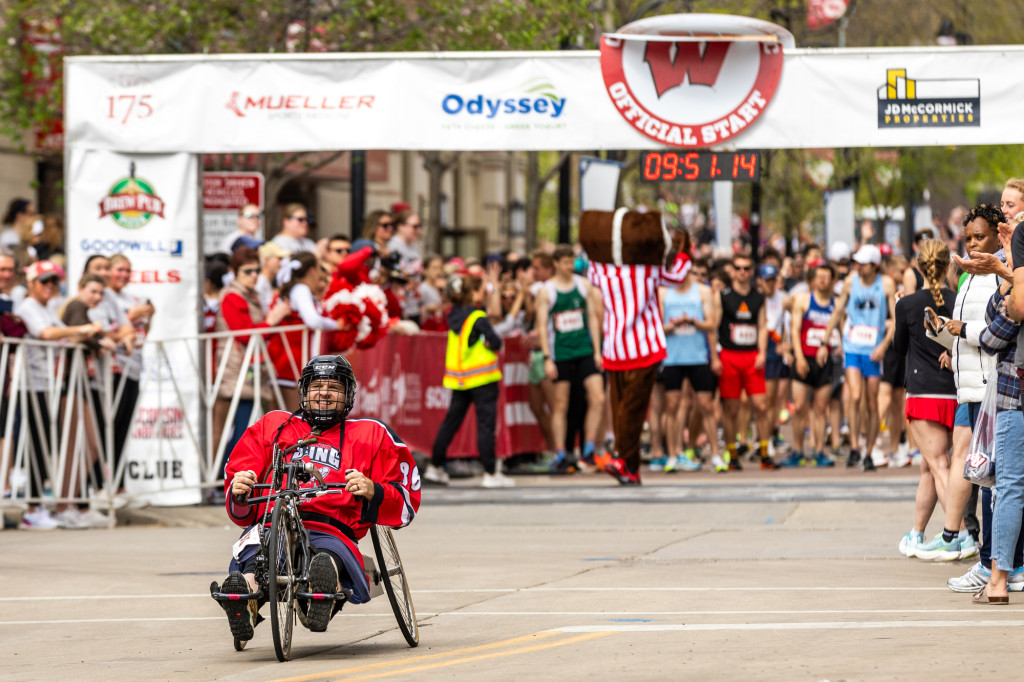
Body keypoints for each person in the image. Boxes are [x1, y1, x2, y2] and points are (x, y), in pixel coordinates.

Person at [213, 355, 420, 638]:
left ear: (348, 395)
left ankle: (322, 590)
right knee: (255, 561)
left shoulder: (372, 434)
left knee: (325, 560)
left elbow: (407, 500)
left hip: (331, 527)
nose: (324, 393)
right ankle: (244, 598)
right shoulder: (272, 425)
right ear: (303, 391)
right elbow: (240, 509)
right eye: (317, 386)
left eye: (334, 387)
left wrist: (373, 489)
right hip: (272, 524)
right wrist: (240, 490)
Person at [913, 204, 1003, 562]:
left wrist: (961, 329)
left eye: (980, 237)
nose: (973, 245)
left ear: (1000, 235)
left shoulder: (1002, 275)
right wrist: (941, 332)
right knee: (983, 477)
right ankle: (990, 559)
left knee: (991, 480)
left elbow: (999, 333)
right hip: (969, 388)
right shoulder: (968, 278)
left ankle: (994, 561)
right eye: (968, 238)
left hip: (992, 388)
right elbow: (965, 338)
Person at [15, 261, 103, 530]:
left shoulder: (48, 307)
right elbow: (46, 333)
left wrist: (86, 337)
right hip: (34, 384)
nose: (50, 286)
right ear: (31, 283)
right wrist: (82, 330)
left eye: (54, 281)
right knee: (38, 447)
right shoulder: (28, 306)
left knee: (60, 444)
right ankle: (33, 509)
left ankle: (60, 504)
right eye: (44, 281)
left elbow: (59, 335)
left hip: (51, 383)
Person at [892, 240, 957, 560]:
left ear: (919, 268)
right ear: (948, 267)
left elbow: (898, 348)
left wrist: (898, 311)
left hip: (923, 392)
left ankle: (957, 534)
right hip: (953, 391)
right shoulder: (957, 300)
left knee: (939, 465)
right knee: (929, 468)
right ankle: (917, 532)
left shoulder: (907, 304)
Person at [425, 274, 512, 488]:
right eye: (481, 290)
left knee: (450, 423)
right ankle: (491, 473)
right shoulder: (477, 317)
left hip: (460, 380)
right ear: (473, 293)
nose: (483, 294)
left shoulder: (453, 315)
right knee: (485, 426)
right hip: (482, 378)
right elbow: (496, 342)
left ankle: (435, 467)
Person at [213, 247, 292, 468]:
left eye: (257, 270)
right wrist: (272, 321)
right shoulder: (232, 296)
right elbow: (246, 334)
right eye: (247, 271)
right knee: (240, 429)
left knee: (245, 427)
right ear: (235, 272)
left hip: (249, 371)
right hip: (238, 372)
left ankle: (228, 475)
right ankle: (226, 475)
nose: (254, 275)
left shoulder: (249, 295)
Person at [819, 244, 896, 471]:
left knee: (872, 402)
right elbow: (838, 311)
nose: (858, 267)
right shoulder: (850, 282)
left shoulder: (886, 284)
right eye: (857, 263)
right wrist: (825, 341)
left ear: (874, 265)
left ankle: (869, 451)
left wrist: (884, 345)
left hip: (874, 349)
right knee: (854, 396)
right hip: (853, 346)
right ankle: (854, 446)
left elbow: (895, 317)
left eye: (863, 264)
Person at [534, 244, 605, 472]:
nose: (570, 266)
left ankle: (589, 449)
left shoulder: (584, 286)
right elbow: (542, 327)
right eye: (565, 262)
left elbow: (593, 319)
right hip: (560, 352)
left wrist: (596, 350)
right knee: (560, 404)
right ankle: (561, 453)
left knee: (598, 397)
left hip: (583, 349)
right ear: (555, 263)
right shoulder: (547, 291)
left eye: (572, 262)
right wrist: (547, 358)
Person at [659, 255, 719, 472]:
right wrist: (674, 325)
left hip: (697, 357)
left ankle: (715, 454)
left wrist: (693, 322)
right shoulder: (664, 292)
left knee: (706, 405)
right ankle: (673, 454)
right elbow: (657, 326)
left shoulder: (702, 291)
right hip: (673, 358)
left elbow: (711, 324)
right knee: (672, 406)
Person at [717, 253, 775, 472]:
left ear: (752, 272)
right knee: (731, 408)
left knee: (761, 405)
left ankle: (764, 453)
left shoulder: (758, 297)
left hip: (752, 356)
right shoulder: (723, 296)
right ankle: (732, 454)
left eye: (746, 268)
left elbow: (762, 326)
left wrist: (761, 351)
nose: (742, 273)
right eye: (738, 268)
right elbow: (715, 324)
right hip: (730, 356)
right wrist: (716, 356)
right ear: (732, 271)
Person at [268, 252, 339, 413]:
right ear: (312, 270)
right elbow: (312, 320)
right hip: (291, 362)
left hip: (289, 360)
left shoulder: (296, 289)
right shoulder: (300, 289)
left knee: (284, 421)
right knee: (294, 420)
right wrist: (336, 324)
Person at [785, 262, 838, 467]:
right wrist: (798, 357)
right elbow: (794, 330)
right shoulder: (803, 300)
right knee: (799, 407)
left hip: (824, 362)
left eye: (826, 277)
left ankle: (819, 451)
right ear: (813, 279)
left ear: (832, 281)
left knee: (820, 408)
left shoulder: (835, 304)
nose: (822, 280)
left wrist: (838, 346)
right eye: (819, 276)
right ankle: (798, 450)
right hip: (804, 359)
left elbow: (841, 328)